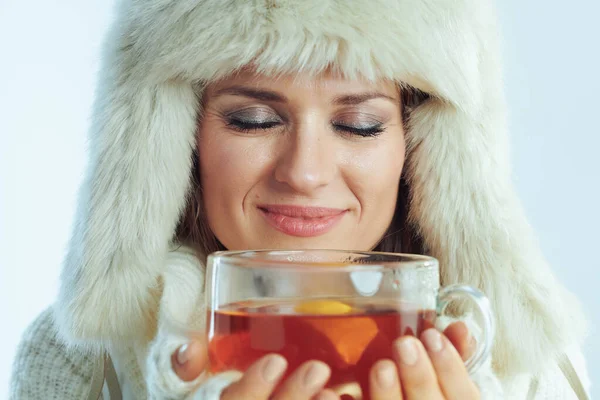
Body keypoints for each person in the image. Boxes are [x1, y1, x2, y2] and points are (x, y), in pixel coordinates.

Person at [9, 0, 591, 399]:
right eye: (253, 119)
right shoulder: (82, 365)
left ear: (420, 150)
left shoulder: (533, 374)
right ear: (179, 139)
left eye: (360, 124)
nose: (305, 173)